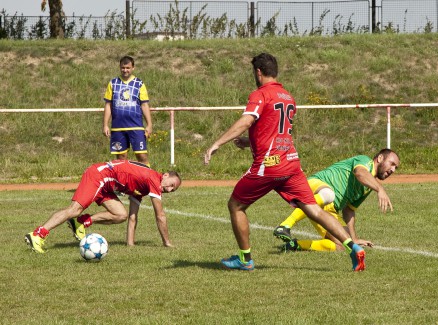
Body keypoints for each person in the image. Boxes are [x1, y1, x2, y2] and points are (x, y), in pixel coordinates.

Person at [204, 52, 366, 272]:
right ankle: (353, 247)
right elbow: (275, 132)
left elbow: (247, 120)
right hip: (290, 163)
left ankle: (245, 259)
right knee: (314, 210)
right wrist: (250, 142)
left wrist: (217, 143)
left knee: (236, 205)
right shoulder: (287, 97)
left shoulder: (260, 94)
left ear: (258, 72)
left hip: (269, 164)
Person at [25, 160, 181, 253]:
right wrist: (167, 243)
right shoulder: (153, 179)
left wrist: (130, 245)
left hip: (106, 183)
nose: (169, 190)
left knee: (121, 214)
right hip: (99, 176)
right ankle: (38, 234)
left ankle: (80, 223)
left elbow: (133, 217)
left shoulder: (144, 186)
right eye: (171, 185)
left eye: (172, 190)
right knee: (74, 209)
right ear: (166, 175)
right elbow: (160, 215)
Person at [273, 149, 400, 252]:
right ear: (380, 158)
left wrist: (354, 238)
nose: (393, 170)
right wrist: (380, 189)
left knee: (344, 244)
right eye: (392, 164)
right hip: (316, 186)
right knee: (328, 193)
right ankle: (285, 225)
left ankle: (294, 245)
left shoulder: (368, 187)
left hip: (330, 207)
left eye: (396, 168)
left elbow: (349, 210)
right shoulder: (365, 161)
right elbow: (359, 173)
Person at [103, 56, 152, 166]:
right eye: (123, 67)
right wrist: (105, 125)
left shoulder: (139, 83)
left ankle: (147, 181)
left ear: (133, 68)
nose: (125, 70)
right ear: (120, 67)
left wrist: (149, 124)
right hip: (118, 127)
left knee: (142, 156)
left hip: (136, 126)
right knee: (121, 159)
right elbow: (108, 105)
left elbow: (144, 105)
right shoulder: (113, 83)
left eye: (128, 68)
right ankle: (123, 182)